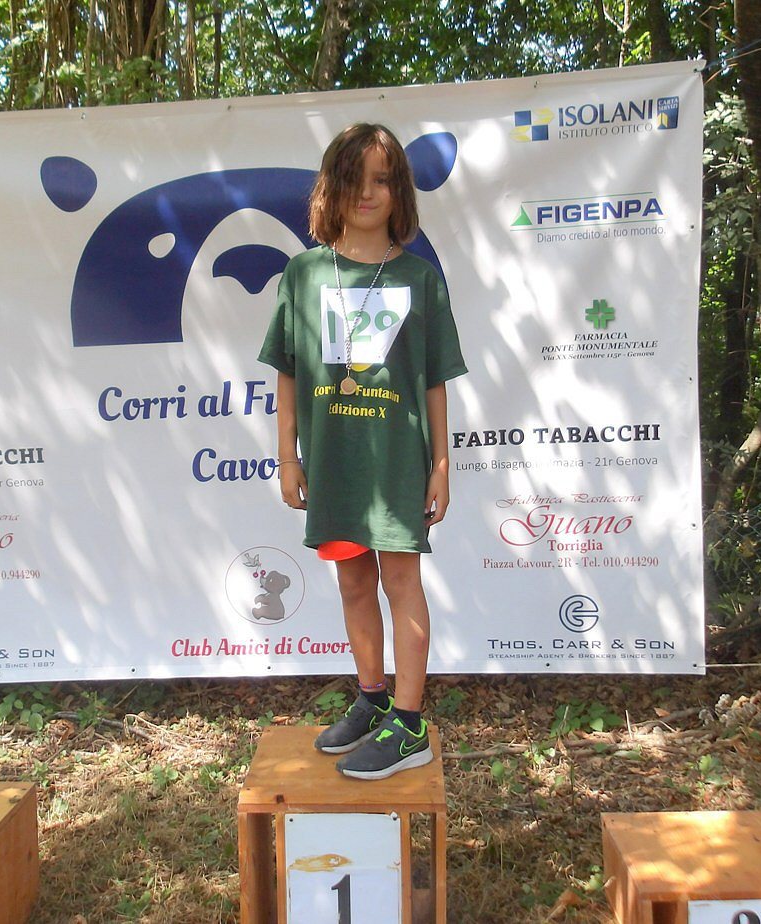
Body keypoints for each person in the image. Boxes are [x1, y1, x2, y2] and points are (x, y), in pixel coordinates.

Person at [257, 123, 466, 780]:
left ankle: (409, 723)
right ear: (332, 188)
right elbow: (287, 372)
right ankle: (372, 698)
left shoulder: (420, 278)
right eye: (355, 179)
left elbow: (435, 381)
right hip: (335, 463)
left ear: (399, 191)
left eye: (383, 180)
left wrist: (441, 465)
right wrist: (288, 457)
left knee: (401, 581)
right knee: (352, 582)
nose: (368, 193)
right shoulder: (303, 274)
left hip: (397, 462)